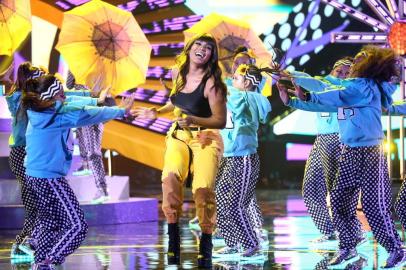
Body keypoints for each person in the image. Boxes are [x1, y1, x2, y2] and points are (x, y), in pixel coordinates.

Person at [288, 46, 405, 269]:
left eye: (359, 61)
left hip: (370, 152)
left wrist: (305, 90)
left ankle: (395, 250)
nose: (353, 64)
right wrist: (294, 99)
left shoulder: (364, 86)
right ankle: (348, 246)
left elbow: (332, 92)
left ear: (367, 67)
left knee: (374, 206)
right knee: (340, 200)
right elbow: (327, 94)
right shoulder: (351, 86)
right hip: (350, 152)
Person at [22, 74, 134, 269]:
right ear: (50, 98)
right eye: (59, 94)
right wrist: (120, 111)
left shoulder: (40, 109)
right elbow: (89, 115)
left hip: (36, 175)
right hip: (49, 179)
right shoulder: (55, 117)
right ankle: (48, 261)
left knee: (50, 223)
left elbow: (71, 99)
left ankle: (40, 262)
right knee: (77, 226)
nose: (64, 97)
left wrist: (95, 99)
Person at [134, 33, 227, 268]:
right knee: (171, 177)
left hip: (205, 136)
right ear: (190, 48)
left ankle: (205, 242)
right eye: (198, 44)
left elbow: (220, 120)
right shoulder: (178, 73)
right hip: (178, 135)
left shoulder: (212, 83)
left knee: (203, 188)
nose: (202, 49)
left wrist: (195, 119)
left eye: (208, 47)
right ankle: (173, 239)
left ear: (211, 56)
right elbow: (176, 104)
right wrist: (156, 112)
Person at [280, 58, 357, 243]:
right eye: (340, 72)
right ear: (333, 69)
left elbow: (313, 84)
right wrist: (290, 98)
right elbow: (314, 92)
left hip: (341, 140)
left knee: (337, 190)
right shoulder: (322, 83)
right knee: (311, 187)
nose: (343, 76)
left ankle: (350, 231)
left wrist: (291, 76)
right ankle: (329, 231)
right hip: (321, 139)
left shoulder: (348, 88)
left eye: (348, 73)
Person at [213, 64, 271, 260]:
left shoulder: (248, 98)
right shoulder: (232, 95)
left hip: (244, 158)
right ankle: (233, 243)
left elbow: (247, 99)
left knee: (235, 205)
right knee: (220, 200)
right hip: (228, 157)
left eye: (236, 78)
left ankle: (251, 244)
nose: (232, 80)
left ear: (246, 82)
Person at [4, 62, 45, 260]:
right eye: (37, 78)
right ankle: (21, 244)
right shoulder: (20, 99)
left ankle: (27, 244)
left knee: (36, 204)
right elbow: (8, 86)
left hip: (28, 152)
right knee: (33, 204)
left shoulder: (29, 98)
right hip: (21, 153)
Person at [66, 71, 111, 204]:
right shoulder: (99, 67)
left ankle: (102, 190)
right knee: (81, 136)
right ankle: (85, 165)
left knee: (94, 153)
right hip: (85, 110)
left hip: (93, 111)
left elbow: (69, 84)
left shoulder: (77, 65)